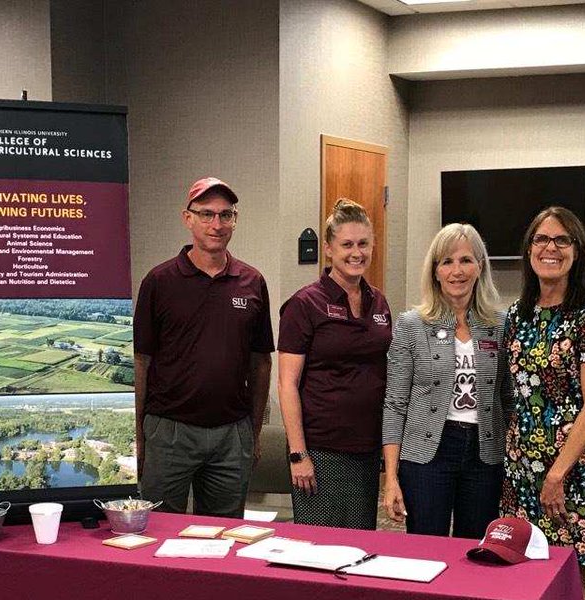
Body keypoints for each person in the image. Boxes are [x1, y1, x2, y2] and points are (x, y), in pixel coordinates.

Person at [133, 177, 273, 517]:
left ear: (235, 221)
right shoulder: (159, 281)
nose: (217, 224)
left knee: (224, 535)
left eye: (226, 215)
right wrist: (140, 435)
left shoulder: (252, 282)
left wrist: (252, 433)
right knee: (158, 533)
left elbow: (261, 363)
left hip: (231, 433)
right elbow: (141, 362)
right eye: (207, 214)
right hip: (169, 431)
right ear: (188, 218)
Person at [501, 206, 585, 573]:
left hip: (570, 466)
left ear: (577, 250)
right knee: (521, 565)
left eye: (562, 240)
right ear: (529, 248)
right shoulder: (518, 313)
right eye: (542, 239)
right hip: (522, 464)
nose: (551, 248)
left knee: (564, 572)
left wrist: (557, 473)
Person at [382, 223, 505, 538]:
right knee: (426, 548)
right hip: (426, 454)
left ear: (480, 266)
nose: (457, 270)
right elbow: (395, 404)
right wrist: (391, 477)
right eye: (447, 262)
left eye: (466, 260)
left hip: (484, 453)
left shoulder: (500, 325)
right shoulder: (411, 325)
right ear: (434, 271)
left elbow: (508, 399)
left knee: (476, 552)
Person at [277, 199, 392, 529]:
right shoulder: (305, 303)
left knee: (360, 544)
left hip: (366, 449)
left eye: (363, 244)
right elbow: (286, 384)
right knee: (319, 549)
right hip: (320, 450)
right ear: (328, 248)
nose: (356, 253)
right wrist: (298, 455)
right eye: (346, 245)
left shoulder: (379, 301)